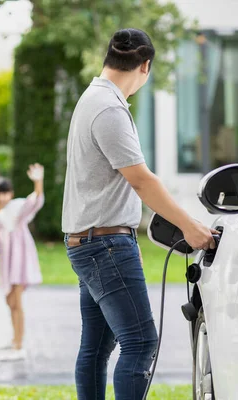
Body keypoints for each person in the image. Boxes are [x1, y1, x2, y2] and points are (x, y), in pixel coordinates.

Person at [61, 28, 217, 399]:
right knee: (141, 341)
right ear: (144, 66)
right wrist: (190, 226)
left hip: (87, 242)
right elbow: (142, 181)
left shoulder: (91, 98)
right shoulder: (109, 108)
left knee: (97, 348)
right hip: (106, 246)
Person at [0, 163, 45, 361]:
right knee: (10, 301)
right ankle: (14, 340)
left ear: (10, 194)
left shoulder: (16, 209)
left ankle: (19, 347)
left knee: (16, 302)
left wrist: (38, 181)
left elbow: (34, 201)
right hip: (6, 265)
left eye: (5, 193)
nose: (1, 197)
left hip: (19, 262)